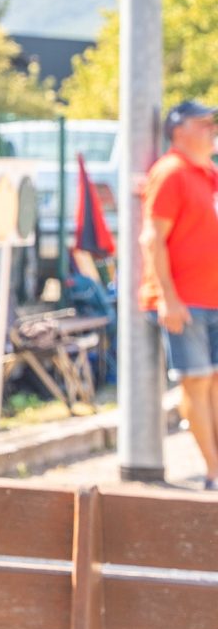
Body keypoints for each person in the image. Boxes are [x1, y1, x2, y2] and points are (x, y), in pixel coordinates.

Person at [144, 99, 218, 488]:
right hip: (187, 301)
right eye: (202, 123)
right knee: (197, 382)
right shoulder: (172, 172)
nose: (211, 128)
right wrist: (168, 298)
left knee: (213, 383)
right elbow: (153, 238)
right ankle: (212, 470)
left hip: (212, 297)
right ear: (178, 131)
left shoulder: (207, 173)